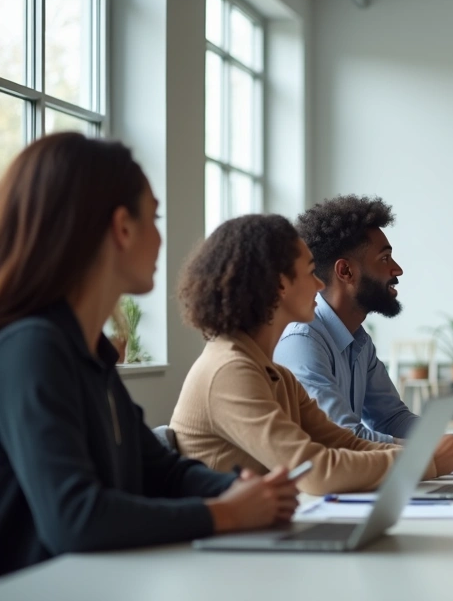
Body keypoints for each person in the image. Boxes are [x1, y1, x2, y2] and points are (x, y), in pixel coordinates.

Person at [0, 134, 298, 576]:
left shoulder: (92, 354)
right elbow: (75, 518)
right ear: (122, 228)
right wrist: (228, 513)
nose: (162, 238)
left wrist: (243, 488)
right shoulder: (32, 348)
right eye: (154, 218)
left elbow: (162, 471)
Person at [171, 215, 453, 496]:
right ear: (280, 285)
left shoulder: (274, 374)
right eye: (310, 272)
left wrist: (438, 450)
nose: (317, 284)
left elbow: (345, 444)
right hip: (220, 554)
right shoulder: (229, 370)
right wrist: (427, 459)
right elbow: (313, 471)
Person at [275, 195, 453, 452]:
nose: (397, 270)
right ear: (346, 271)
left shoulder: (359, 342)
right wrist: (443, 448)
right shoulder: (302, 340)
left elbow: (392, 419)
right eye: (385, 259)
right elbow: (343, 436)